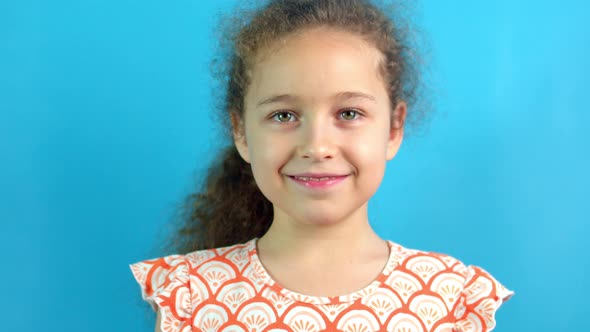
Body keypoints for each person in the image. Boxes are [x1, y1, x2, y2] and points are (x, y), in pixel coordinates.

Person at [129, 0, 513, 331]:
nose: (317, 146)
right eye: (283, 115)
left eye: (348, 112)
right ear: (241, 132)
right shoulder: (192, 294)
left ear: (394, 128)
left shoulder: (450, 298)